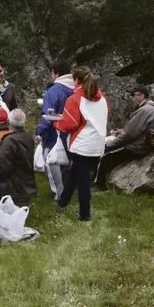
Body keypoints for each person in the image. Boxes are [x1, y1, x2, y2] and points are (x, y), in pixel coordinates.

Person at [54, 66, 108, 222]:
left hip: (81, 144)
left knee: (83, 179)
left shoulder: (75, 98)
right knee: (74, 173)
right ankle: (62, 203)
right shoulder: (101, 98)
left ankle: (85, 214)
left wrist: (56, 123)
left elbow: (69, 124)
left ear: (76, 80)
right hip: (97, 143)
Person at [94, 85, 154, 189]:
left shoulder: (145, 110)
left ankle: (99, 185)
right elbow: (136, 130)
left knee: (104, 155)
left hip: (137, 147)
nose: (132, 97)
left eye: (133, 95)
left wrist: (112, 143)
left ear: (142, 95)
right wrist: (120, 132)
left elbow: (130, 134)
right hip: (144, 144)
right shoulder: (152, 108)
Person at [0, 109, 37, 231]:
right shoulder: (28, 137)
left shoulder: (9, 141)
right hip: (26, 181)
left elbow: (3, 169)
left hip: (13, 183)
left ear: (9, 122)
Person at [35, 61, 75, 200]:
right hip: (73, 132)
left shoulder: (54, 90)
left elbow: (49, 115)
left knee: (52, 161)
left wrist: (39, 130)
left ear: (55, 72)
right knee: (67, 162)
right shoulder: (77, 88)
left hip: (54, 132)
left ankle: (58, 194)